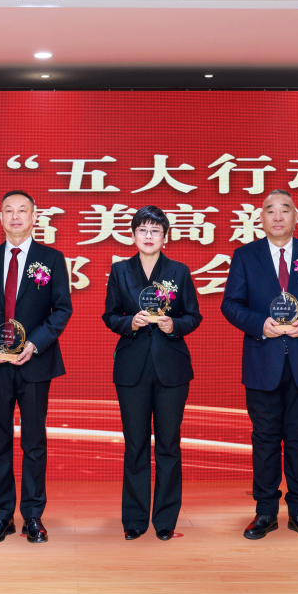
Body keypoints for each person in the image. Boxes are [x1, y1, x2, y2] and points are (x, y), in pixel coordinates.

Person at [220, 189, 298, 540]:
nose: (277, 216)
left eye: (284, 210)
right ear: (261, 218)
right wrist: (260, 324)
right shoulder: (246, 256)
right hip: (262, 360)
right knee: (265, 438)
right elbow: (231, 304)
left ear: (296, 217)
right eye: (270, 210)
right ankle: (266, 512)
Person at [0, 190, 73, 544]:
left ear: (35, 217)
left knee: (34, 442)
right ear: (0, 217)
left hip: (34, 364)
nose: (16, 216)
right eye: (9, 210)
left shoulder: (51, 258)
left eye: (23, 210)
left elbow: (62, 309)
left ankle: (33, 516)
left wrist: (35, 343)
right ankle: (2, 516)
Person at [102, 206, 201, 541]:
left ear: (165, 236)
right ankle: (134, 519)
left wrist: (175, 325)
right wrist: (129, 322)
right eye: (142, 230)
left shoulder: (179, 271)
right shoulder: (120, 271)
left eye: (155, 230)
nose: (148, 236)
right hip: (132, 367)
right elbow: (110, 315)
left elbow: (193, 316)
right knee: (136, 444)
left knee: (169, 444)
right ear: (133, 235)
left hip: (172, 368)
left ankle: (165, 520)